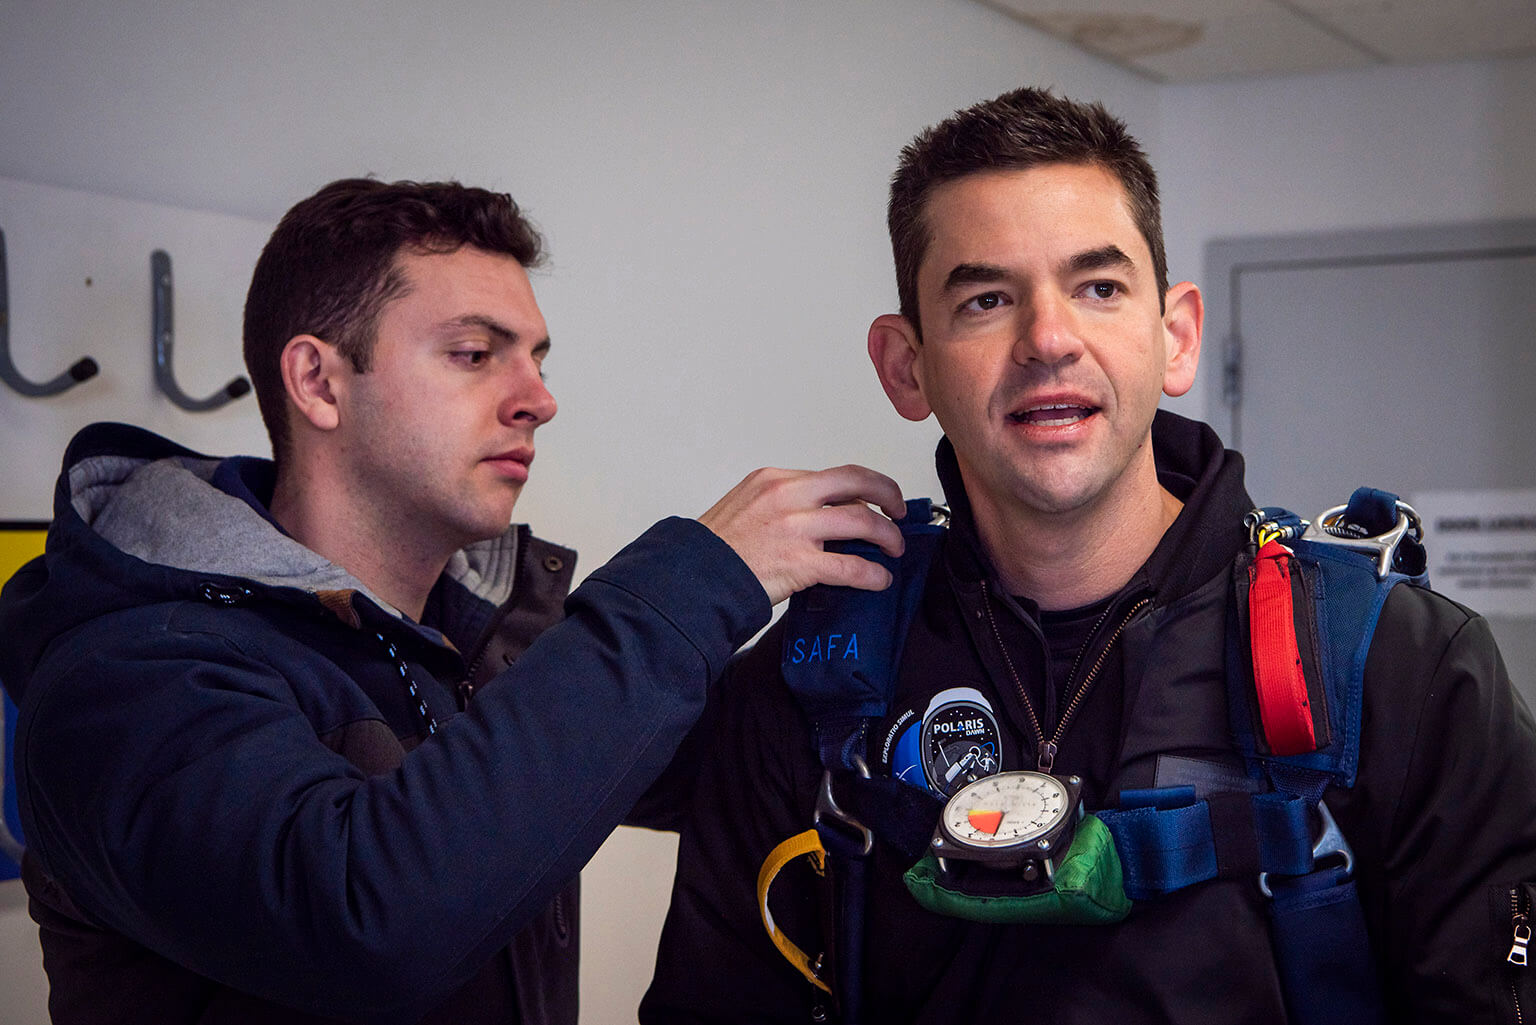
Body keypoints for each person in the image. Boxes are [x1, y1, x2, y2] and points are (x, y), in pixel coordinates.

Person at [640, 87, 1536, 1023]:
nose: (1049, 341)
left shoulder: (1397, 667)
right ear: (907, 365)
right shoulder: (815, 684)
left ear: (1176, 336)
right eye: (987, 299)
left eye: (1099, 287)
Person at [0, 177, 908, 1025]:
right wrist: (701, 578)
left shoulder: (470, 642)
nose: (539, 400)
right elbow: (371, 915)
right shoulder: (124, 676)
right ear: (318, 382)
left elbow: (738, 756)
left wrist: (911, 604)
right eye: (475, 354)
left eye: (536, 359)